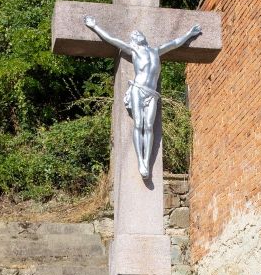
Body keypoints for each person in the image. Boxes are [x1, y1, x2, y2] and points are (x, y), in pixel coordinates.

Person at [83, 15, 201, 179]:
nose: (137, 34)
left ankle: (147, 161)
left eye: (139, 33)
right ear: (133, 41)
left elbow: (175, 43)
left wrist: (189, 34)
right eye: (134, 35)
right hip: (138, 89)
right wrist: (95, 26)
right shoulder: (133, 50)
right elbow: (112, 39)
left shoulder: (156, 51)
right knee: (139, 124)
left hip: (152, 93)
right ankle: (141, 163)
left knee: (149, 126)